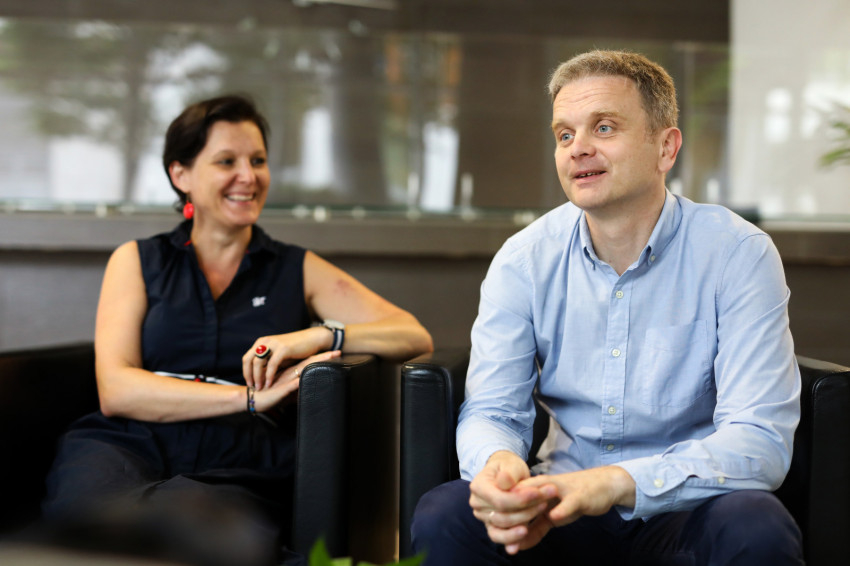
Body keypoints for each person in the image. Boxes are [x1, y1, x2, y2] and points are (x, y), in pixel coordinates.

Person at [411, 50, 803, 565]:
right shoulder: (523, 260)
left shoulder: (737, 253)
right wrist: (499, 465)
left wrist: (616, 482)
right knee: (444, 514)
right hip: (558, 507)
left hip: (683, 507)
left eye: (604, 127)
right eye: (564, 134)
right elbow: (492, 410)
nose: (578, 148)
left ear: (666, 147)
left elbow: (758, 440)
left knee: (755, 524)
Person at [41, 95, 433, 565]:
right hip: (128, 442)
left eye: (258, 161)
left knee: (196, 532)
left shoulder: (294, 267)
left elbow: (413, 334)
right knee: (88, 527)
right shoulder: (137, 260)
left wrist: (322, 335)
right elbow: (116, 390)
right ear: (181, 174)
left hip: (238, 455)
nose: (248, 176)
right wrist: (248, 398)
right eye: (226, 161)